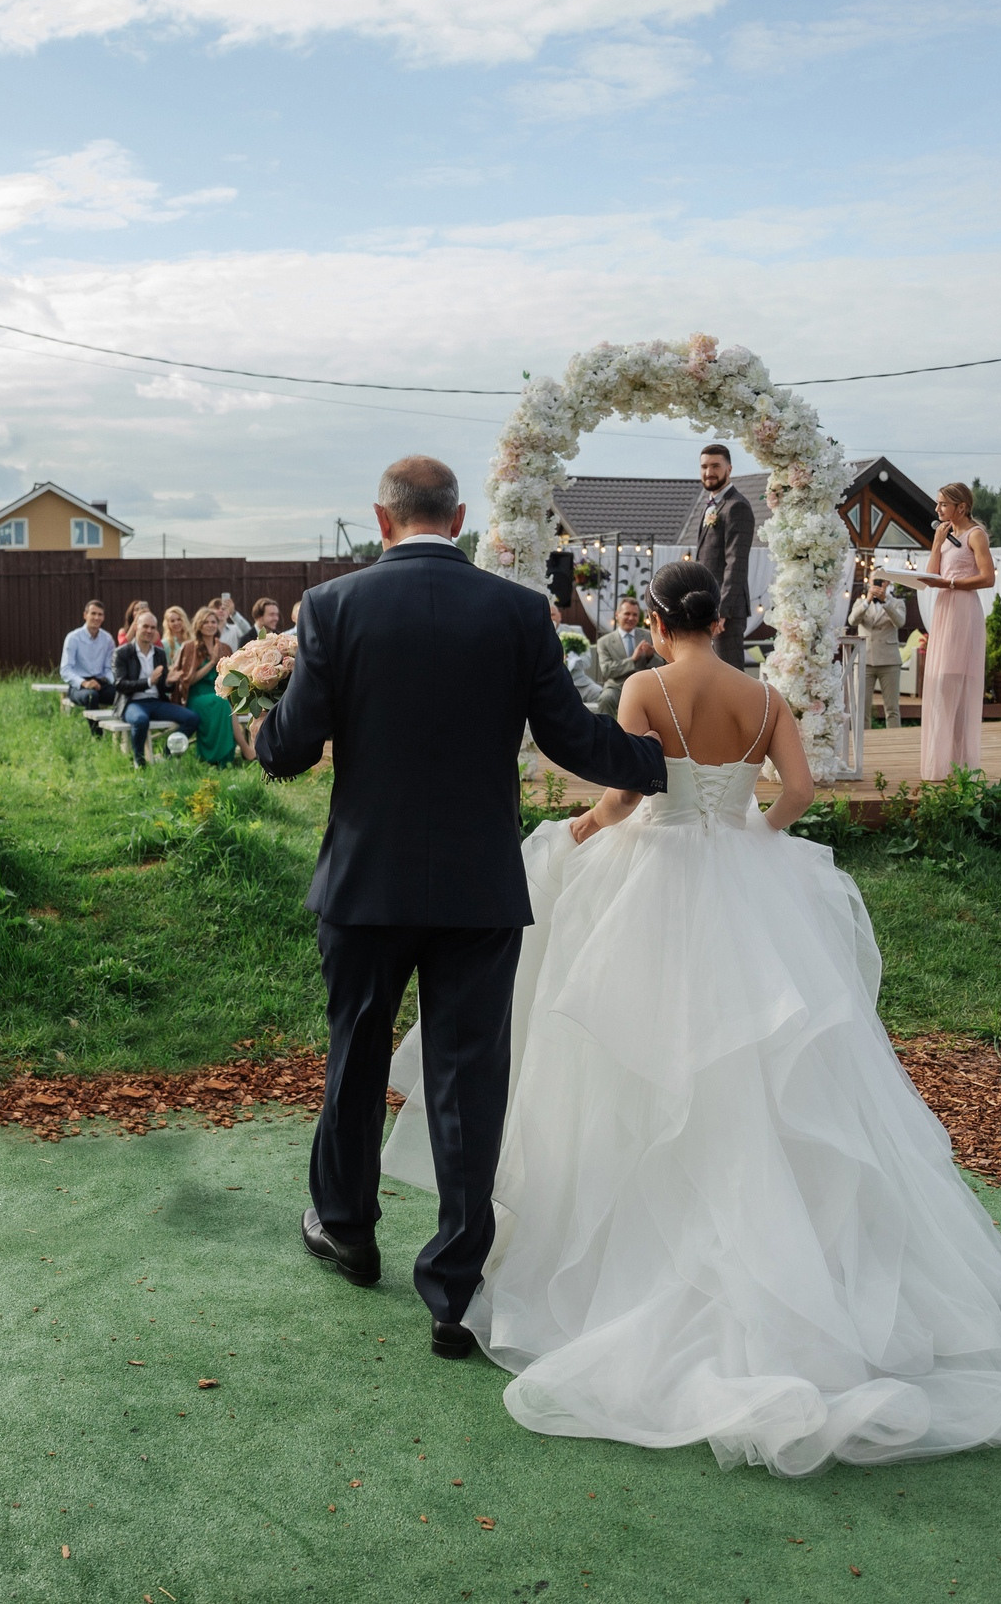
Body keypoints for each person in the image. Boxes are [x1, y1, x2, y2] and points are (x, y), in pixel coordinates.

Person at [381, 558, 1001, 1475]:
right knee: (765, 1075)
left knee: (640, 1061)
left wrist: (583, 835)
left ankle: (636, 1248)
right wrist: (754, 841)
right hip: (747, 886)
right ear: (720, 618)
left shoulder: (644, 684)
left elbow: (627, 791)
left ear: (657, 618)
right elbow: (796, 793)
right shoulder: (765, 698)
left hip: (654, 876)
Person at [256, 455, 668, 1360]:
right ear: (460, 517)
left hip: (365, 885)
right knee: (468, 1078)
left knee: (356, 1054)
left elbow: (289, 749)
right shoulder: (518, 611)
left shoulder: (332, 606)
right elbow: (570, 735)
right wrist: (654, 765)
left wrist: (259, 718)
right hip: (480, 885)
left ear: (382, 516)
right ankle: (453, 1289)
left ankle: (347, 1230)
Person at [918, 483, 993, 779]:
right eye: (937, 505)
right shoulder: (946, 537)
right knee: (940, 684)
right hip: (944, 610)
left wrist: (950, 584)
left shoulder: (976, 535)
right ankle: (941, 763)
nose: (937, 510)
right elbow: (930, 576)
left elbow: (987, 578)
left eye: (943, 505)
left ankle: (962, 765)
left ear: (961, 507)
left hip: (963, 610)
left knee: (959, 684)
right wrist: (936, 543)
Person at [682, 442, 756, 670]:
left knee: (729, 673)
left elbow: (736, 563)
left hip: (726, 613)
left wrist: (721, 612)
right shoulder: (712, 506)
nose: (709, 472)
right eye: (704, 466)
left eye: (715, 466)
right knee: (707, 673)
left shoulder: (737, 507)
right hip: (707, 607)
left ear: (729, 469)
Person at [112, 611, 197, 766]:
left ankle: (166, 754)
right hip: (131, 702)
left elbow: (162, 685)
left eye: (152, 627)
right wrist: (148, 681)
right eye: (145, 626)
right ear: (136, 626)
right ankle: (139, 761)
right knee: (140, 720)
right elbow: (120, 684)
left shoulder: (159, 653)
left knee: (192, 718)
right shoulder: (122, 653)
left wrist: (169, 682)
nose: (149, 631)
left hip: (156, 701)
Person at [177, 606, 240, 765]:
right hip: (197, 696)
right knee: (221, 703)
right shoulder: (190, 647)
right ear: (198, 625)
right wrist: (212, 662)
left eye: (214, 622)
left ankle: (224, 758)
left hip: (219, 695)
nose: (211, 625)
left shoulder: (224, 647)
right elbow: (188, 681)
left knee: (222, 702)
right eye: (206, 622)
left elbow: (232, 676)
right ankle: (213, 757)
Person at [848, 577, 905, 729]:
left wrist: (885, 601)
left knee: (892, 708)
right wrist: (867, 601)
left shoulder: (897, 603)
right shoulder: (861, 603)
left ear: (888, 584)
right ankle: (863, 742)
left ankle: (895, 741)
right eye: (874, 581)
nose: (878, 584)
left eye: (882, 581)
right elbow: (852, 621)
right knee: (862, 707)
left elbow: (900, 622)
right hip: (864, 660)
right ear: (869, 583)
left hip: (889, 661)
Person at [588, 596, 659, 718]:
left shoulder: (648, 636)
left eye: (635, 615)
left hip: (643, 686)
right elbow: (607, 670)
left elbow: (662, 665)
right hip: (616, 686)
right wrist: (632, 660)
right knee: (606, 699)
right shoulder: (604, 641)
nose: (631, 618)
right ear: (617, 615)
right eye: (627, 614)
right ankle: (607, 735)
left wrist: (650, 656)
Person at [59, 599, 116, 710]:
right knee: (91, 696)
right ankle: (96, 728)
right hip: (79, 686)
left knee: (122, 695)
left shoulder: (108, 639)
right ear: (85, 615)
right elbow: (65, 670)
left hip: (100, 683)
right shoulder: (73, 638)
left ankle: (122, 726)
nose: (96, 618)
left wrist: (115, 682)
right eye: (93, 613)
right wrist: (84, 683)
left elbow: (108, 668)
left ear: (103, 618)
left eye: (100, 614)